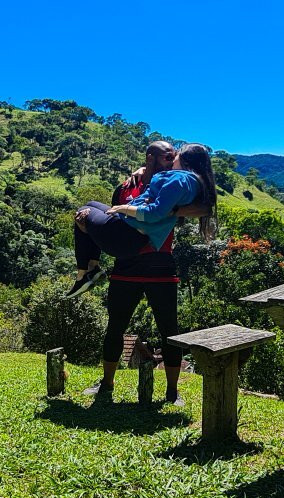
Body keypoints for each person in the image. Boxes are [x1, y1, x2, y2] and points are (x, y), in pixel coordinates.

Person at [73, 142, 216, 405]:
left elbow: (205, 207)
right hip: (126, 264)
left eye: (174, 155)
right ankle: (106, 383)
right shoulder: (128, 186)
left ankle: (172, 392)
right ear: (151, 158)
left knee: (169, 331)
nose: (171, 159)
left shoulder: (178, 183)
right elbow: (112, 226)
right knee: (115, 327)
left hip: (161, 263)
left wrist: (173, 210)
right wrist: (88, 227)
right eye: (167, 155)